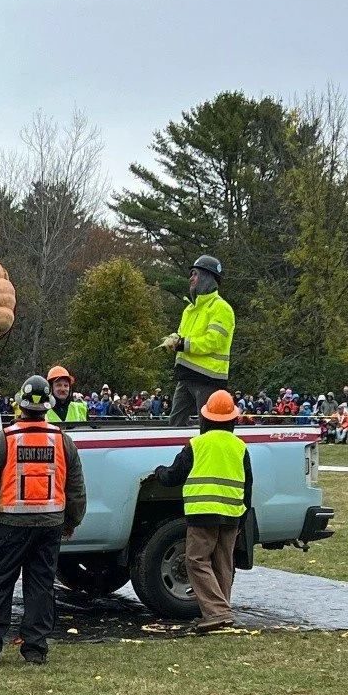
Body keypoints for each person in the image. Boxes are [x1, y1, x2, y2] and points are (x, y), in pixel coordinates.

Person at [0, 375, 86, 666]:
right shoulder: (62, 441)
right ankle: (35, 649)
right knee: (41, 587)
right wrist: (72, 520)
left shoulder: (4, 440)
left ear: (20, 405)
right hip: (49, 526)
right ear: (47, 406)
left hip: (9, 526)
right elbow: (76, 489)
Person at [153, 389, 253, 634]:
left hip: (203, 513)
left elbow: (174, 476)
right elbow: (248, 486)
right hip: (232, 514)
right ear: (233, 420)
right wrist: (242, 519)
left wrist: (158, 472)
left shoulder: (197, 445)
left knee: (196, 561)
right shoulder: (240, 447)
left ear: (205, 418)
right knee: (223, 563)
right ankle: (221, 611)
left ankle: (218, 613)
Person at [158, 255, 236, 425]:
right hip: (186, 375)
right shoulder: (189, 310)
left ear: (206, 277)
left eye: (194, 274)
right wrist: (174, 340)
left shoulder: (221, 308)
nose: (191, 278)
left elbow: (213, 341)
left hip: (208, 378)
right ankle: (182, 452)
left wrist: (183, 344)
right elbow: (183, 337)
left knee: (208, 425)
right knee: (175, 424)